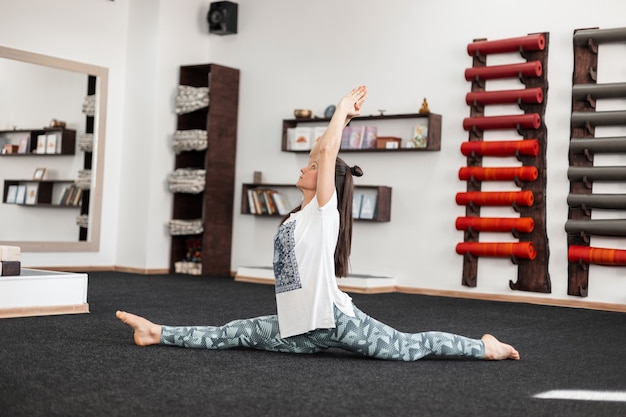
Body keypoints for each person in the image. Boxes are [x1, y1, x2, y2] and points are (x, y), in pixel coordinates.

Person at [117, 85, 520, 361]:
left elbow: (327, 154)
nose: (307, 166)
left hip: (337, 321)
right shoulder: (295, 219)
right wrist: (337, 124)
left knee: (409, 349)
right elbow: (322, 154)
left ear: (326, 180)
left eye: (313, 166)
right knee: (232, 332)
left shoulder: (324, 213)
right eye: (309, 163)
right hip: (298, 329)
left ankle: (485, 346)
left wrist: (342, 111)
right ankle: (156, 332)